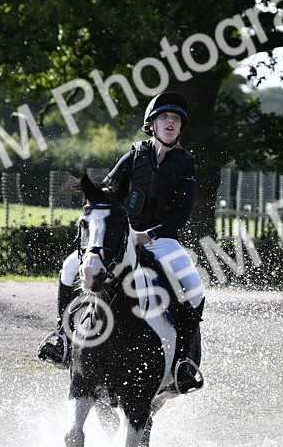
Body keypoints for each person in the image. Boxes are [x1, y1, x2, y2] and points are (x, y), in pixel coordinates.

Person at [37, 90, 205, 393]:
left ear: (180, 128)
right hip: (125, 236)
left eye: (176, 119)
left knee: (194, 287)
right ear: (151, 124)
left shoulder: (185, 163)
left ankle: (182, 364)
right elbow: (108, 190)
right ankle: (61, 337)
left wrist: (149, 235)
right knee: (69, 266)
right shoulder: (134, 156)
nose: (171, 122)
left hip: (162, 240)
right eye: (165, 117)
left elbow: (182, 214)